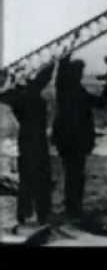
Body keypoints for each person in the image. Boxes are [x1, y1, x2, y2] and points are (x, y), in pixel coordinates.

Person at [52, 55, 107, 220]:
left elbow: (100, 102)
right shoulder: (72, 91)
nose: (80, 74)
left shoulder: (67, 90)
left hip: (67, 140)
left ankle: (73, 208)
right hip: (74, 141)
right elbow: (101, 102)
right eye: (80, 71)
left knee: (74, 175)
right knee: (75, 176)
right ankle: (73, 209)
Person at [0, 64, 54, 226]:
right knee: (39, 177)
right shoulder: (28, 93)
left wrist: (12, 80)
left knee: (28, 178)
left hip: (27, 139)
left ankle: (25, 214)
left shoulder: (16, 95)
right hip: (35, 139)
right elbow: (44, 76)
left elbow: (43, 77)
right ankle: (39, 214)